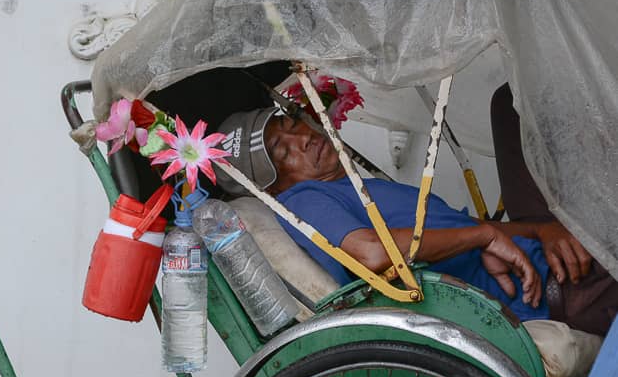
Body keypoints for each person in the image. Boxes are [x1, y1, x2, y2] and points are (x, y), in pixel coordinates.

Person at [214, 95, 618, 336]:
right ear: (274, 187)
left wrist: (543, 230)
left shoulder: (348, 186)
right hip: (549, 288)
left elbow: (469, 229)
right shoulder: (304, 200)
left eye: (291, 126)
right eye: (285, 153)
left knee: (510, 102)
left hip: (530, 254)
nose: (304, 139)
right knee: (512, 102)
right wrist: (485, 240)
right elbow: (372, 255)